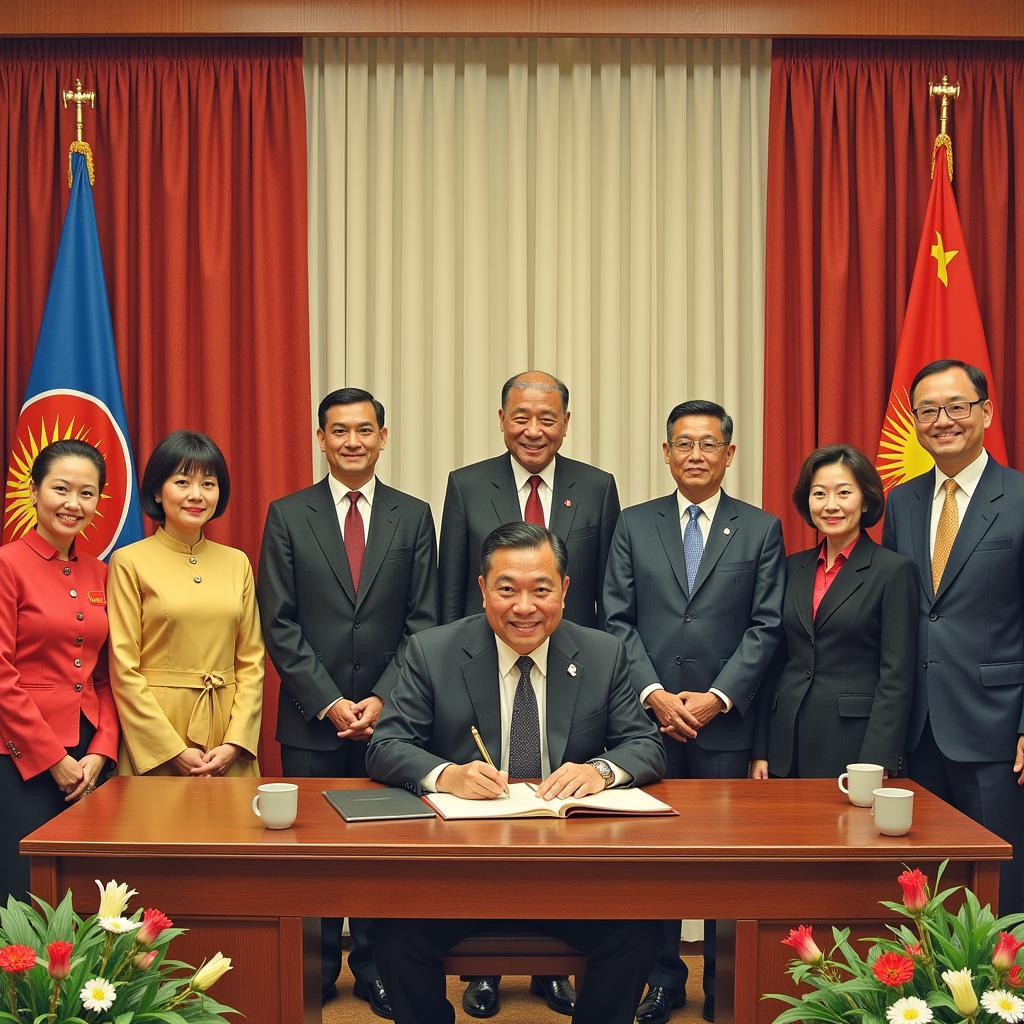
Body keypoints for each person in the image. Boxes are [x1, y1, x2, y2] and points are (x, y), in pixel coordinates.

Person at [366, 522, 664, 1024]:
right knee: (394, 936)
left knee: (637, 935)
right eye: (507, 589)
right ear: (483, 590)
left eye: (541, 589)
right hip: (461, 870)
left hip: (569, 872)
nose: (524, 607)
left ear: (565, 591)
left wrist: (601, 772)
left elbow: (647, 745)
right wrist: (447, 775)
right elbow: (385, 745)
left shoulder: (602, 653)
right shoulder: (432, 651)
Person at [438, 370, 619, 1016]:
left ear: (566, 422)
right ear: (501, 417)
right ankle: (484, 971)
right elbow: (454, 589)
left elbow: (599, 594)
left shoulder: (597, 487)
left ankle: (550, 968)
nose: (533, 429)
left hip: (566, 671)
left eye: (547, 417)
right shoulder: (466, 484)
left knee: (557, 831)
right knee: (487, 830)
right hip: (484, 668)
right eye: (521, 416)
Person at [258, 386, 438, 1015]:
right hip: (312, 718)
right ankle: (313, 968)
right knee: (309, 850)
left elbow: (424, 620)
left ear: (383, 438)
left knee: (381, 850)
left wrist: (384, 701)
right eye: (339, 431)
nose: (353, 442)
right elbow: (278, 622)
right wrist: (331, 701)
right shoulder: (287, 513)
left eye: (365, 430)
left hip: (391, 722)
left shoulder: (413, 516)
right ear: (320, 438)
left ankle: (374, 967)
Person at [603, 399, 784, 1024]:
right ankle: (661, 979)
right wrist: (653, 692)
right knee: (652, 857)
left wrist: (715, 698)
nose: (696, 455)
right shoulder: (633, 524)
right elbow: (617, 620)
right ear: (666, 452)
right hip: (645, 721)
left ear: (730, 454)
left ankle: (725, 981)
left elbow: (766, 626)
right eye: (684, 444)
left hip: (725, 722)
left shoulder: (759, 528)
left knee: (723, 858)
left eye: (709, 444)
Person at [882, 358, 1024, 914]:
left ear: (985, 412)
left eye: (956, 407)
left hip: (993, 724)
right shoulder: (903, 500)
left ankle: (1000, 996)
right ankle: (934, 997)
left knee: (997, 883)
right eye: (928, 410)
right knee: (927, 887)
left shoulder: (1017, 497)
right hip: (918, 727)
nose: (943, 420)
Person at [750, 445, 917, 780]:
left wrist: (878, 758)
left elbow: (896, 675)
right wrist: (761, 749)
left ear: (866, 500)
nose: (831, 505)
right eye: (819, 494)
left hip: (853, 746)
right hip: (786, 742)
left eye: (844, 493)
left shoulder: (893, 571)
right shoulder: (791, 567)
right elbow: (774, 662)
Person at [0, 440, 119, 905]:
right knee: (25, 896)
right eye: (61, 489)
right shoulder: (7, 564)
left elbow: (107, 676)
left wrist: (103, 748)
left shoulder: (100, 572)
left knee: (89, 899)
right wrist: (53, 758)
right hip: (21, 760)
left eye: (87, 493)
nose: (73, 504)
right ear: (33, 491)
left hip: (89, 758)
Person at [107, 430, 263, 780]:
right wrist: (170, 748)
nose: (196, 495)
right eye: (182, 482)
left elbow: (251, 661)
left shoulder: (237, 562)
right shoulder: (129, 561)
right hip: (158, 734)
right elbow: (123, 668)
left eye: (208, 484)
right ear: (158, 492)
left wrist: (236, 742)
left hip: (227, 731)